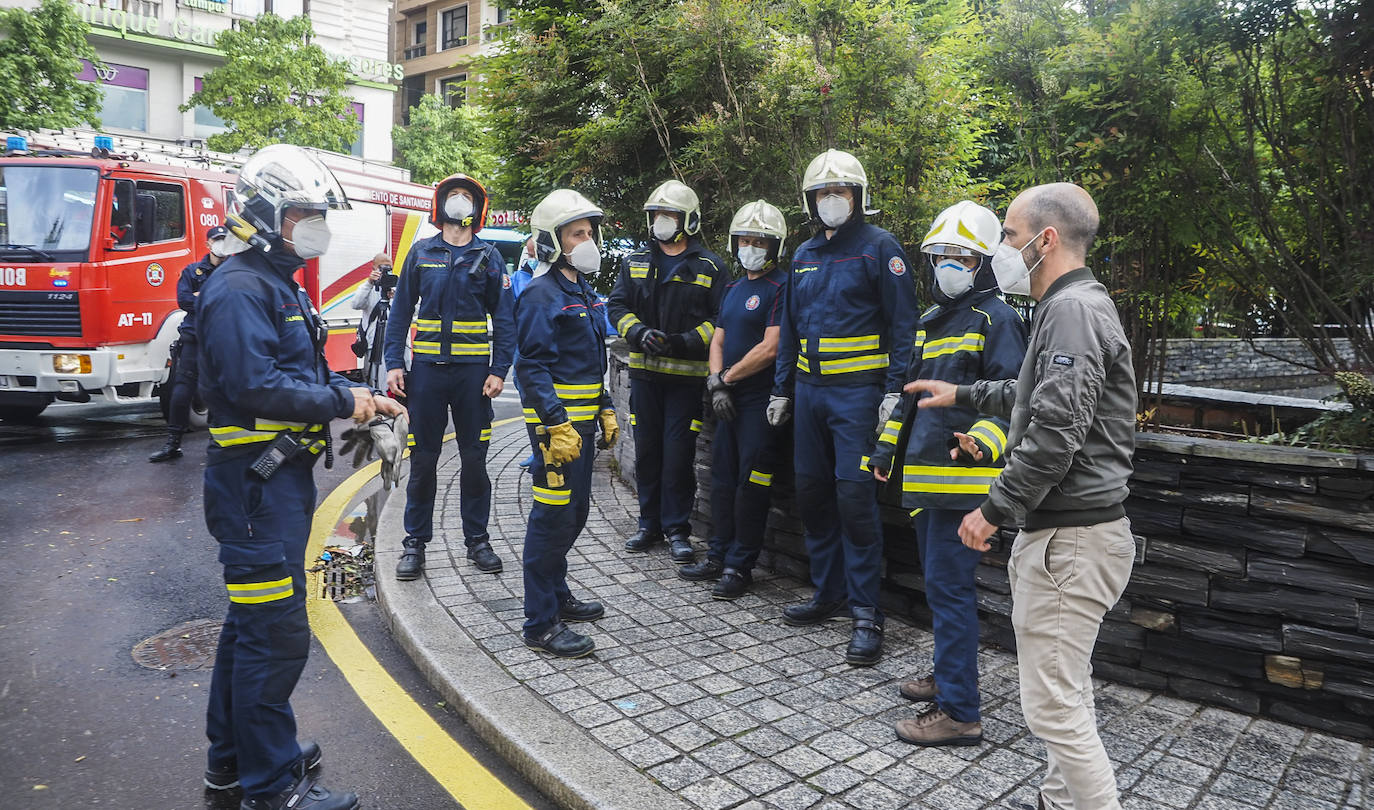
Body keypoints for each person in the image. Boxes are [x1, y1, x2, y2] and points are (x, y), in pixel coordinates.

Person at [908, 183, 1136, 809]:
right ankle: (1059, 799)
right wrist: (963, 396)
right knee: (1065, 691)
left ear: (1047, 239)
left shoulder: (1070, 311)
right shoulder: (1068, 307)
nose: (1002, 247)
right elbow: (1033, 395)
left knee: (1054, 707)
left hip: (1072, 540)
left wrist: (992, 509)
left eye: (1008, 235)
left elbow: (1056, 433)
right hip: (1075, 536)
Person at [197, 144, 404, 810]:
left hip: (274, 483)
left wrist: (355, 393)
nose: (314, 224)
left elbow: (299, 376)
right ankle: (271, 786)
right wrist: (348, 403)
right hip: (253, 489)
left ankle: (236, 761)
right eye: (303, 213)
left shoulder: (274, 283)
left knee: (248, 628)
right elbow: (257, 385)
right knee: (275, 631)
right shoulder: (238, 287)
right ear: (265, 213)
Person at [867, 201, 1027, 746]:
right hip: (924, 484)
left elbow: (1011, 402)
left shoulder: (997, 318)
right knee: (941, 591)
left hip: (962, 489)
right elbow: (909, 402)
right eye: (940, 256)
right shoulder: (933, 321)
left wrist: (981, 445)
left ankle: (960, 710)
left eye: (960, 255)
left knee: (950, 592)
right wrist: (885, 452)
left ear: (983, 262)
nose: (948, 266)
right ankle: (947, 675)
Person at [768, 148, 918, 666]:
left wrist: (895, 394)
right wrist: (781, 389)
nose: (833, 200)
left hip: (859, 398)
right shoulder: (805, 254)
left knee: (855, 502)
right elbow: (788, 329)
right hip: (809, 397)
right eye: (823, 193)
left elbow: (904, 328)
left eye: (841, 191)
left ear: (859, 197)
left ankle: (865, 612)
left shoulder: (881, 250)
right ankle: (827, 591)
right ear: (811, 201)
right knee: (812, 494)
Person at [383, 174, 516, 581]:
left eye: (467, 196)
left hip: (474, 378)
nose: (460, 201)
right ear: (440, 205)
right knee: (423, 461)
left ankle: (477, 539)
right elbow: (401, 311)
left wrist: (499, 370)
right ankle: (414, 544)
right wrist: (393, 362)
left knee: (475, 460)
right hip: (426, 375)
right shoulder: (422, 253)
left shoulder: (490, 256)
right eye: (453, 195)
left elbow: (506, 319)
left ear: (478, 207)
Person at [515, 189, 618, 658]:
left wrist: (606, 405)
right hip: (555, 432)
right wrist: (556, 424)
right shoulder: (541, 294)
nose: (588, 239)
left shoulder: (582, 292)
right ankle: (540, 623)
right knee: (551, 519)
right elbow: (531, 367)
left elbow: (589, 363)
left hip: (581, 429)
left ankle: (558, 596)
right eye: (578, 233)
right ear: (553, 240)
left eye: (589, 232)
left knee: (574, 515)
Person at [607, 180, 726, 565]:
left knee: (678, 456)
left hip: (686, 382)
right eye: (657, 214)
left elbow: (720, 321)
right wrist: (638, 332)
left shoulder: (710, 267)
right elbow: (617, 307)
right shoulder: (635, 262)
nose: (660, 221)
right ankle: (648, 524)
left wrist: (686, 341)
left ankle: (677, 530)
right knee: (647, 453)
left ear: (687, 220)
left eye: (669, 214)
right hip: (645, 378)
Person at [681, 200, 788, 599]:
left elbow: (771, 347)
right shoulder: (733, 287)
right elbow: (719, 338)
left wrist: (724, 378)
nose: (751, 245)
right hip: (727, 400)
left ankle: (739, 566)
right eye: (745, 238)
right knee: (722, 480)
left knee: (751, 485)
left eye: (759, 240)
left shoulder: (781, 286)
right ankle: (716, 555)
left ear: (774, 245)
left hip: (760, 404)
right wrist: (716, 381)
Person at [148, 225, 230, 462]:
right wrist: (214, 301)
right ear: (208, 244)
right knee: (181, 393)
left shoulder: (235, 272)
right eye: (217, 239)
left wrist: (201, 297)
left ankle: (219, 444)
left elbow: (235, 302)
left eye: (225, 239)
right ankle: (173, 443)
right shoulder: (192, 271)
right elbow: (184, 301)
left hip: (222, 343)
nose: (221, 243)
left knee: (218, 392)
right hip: (193, 340)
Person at [349, 253, 397, 393]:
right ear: (374, 267)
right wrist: (369, 283)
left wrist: (397, 296)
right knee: (372, 383)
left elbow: (415, 309)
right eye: (382, 267)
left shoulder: (396, 286)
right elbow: (356, 304)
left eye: (389, 267)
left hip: (393, 346)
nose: (386, 270)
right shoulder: (368, 288)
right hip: (373, 345)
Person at [511, 237, 538, 470]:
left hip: (547, 352)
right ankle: (536, 450)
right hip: (523, 351)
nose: (532, 259)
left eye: (535, 253)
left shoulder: (557, 277)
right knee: (528, 407)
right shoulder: (517, 279)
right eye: (529, 254)